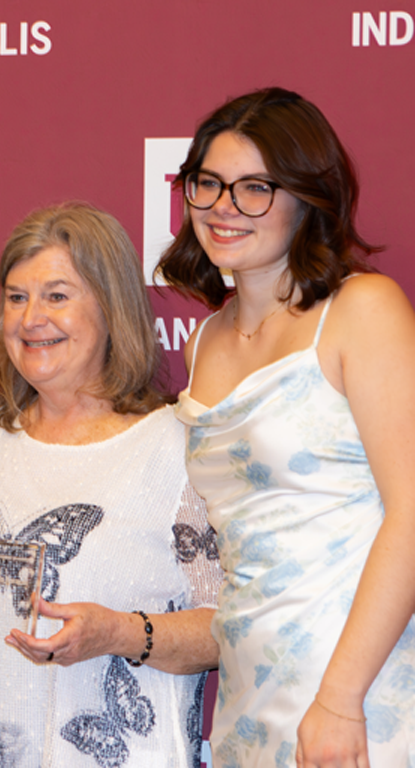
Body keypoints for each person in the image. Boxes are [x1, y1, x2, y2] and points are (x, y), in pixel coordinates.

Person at [0, 203, 222, 768]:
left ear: (112, 309)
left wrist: (117, 632)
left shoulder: (178, 445)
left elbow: (226, 628)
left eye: (57, 296)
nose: (30, 318)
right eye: (16, 298)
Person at [160, 87, 415, 767]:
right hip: (250, 683)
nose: (222, 207)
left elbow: (412, 512)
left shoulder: (363, 310)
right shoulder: (206, 339)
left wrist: (340, 698)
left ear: (308, 198)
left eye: (254, 189)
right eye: (207, 184)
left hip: (362, 685)